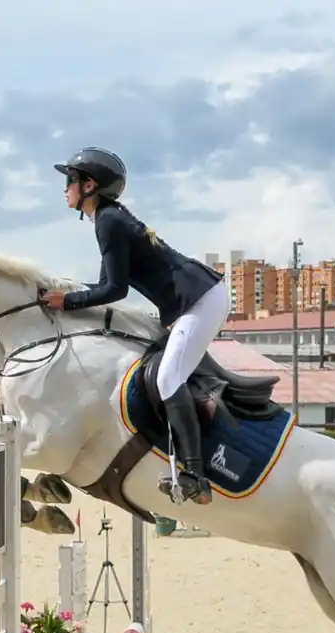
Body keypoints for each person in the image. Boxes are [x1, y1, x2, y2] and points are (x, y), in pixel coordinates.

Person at [40, 146, 230, 504]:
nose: (65, 189)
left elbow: (115, 290)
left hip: (200, 300)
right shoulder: (108, 218)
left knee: (168, 378)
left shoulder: (109, 222)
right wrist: (66, 293)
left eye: (70, 181)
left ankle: (196, 476)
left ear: (89, 186)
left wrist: (67, 301)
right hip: (196, 299)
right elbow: (105, 285)